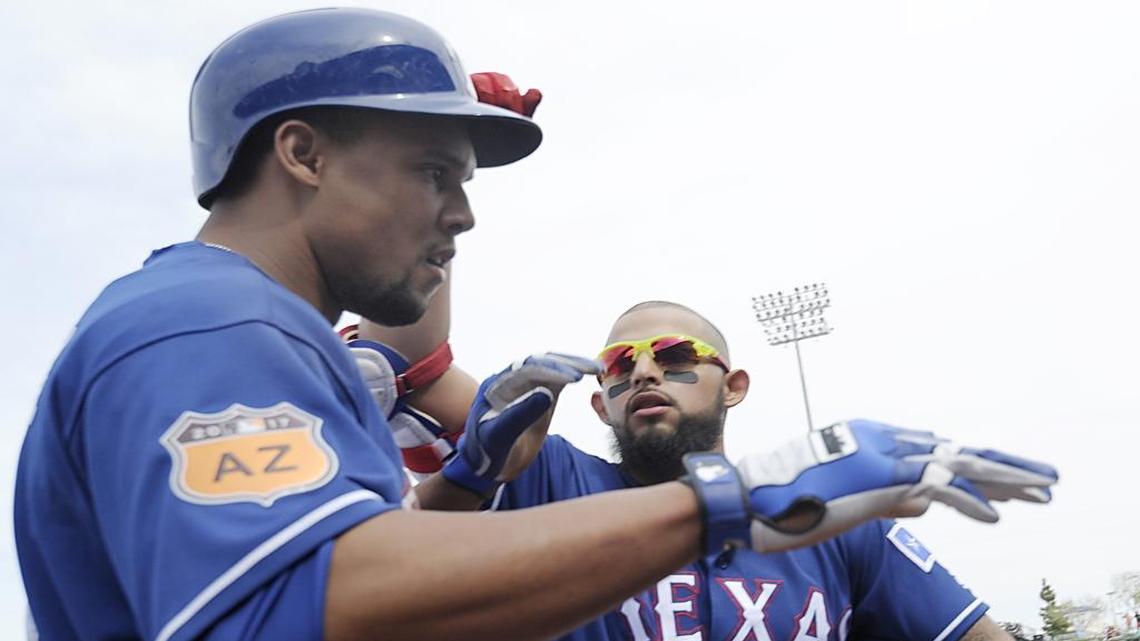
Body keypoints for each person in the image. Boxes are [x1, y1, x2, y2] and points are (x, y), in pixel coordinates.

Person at [14, 8, 1058, 641]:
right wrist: (738, 499)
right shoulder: (200, 323)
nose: (463, 212)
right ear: (302, 152)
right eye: (435, 174)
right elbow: (311, 604)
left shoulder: (252, 327)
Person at [359, 300, 1051, 641]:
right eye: (622, 366)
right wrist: (433, 159)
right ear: (600, 403)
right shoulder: (548, 477)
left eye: (675, 354)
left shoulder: (833, 517)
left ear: (736, 383)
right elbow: (415, 367)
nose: (648, 371)